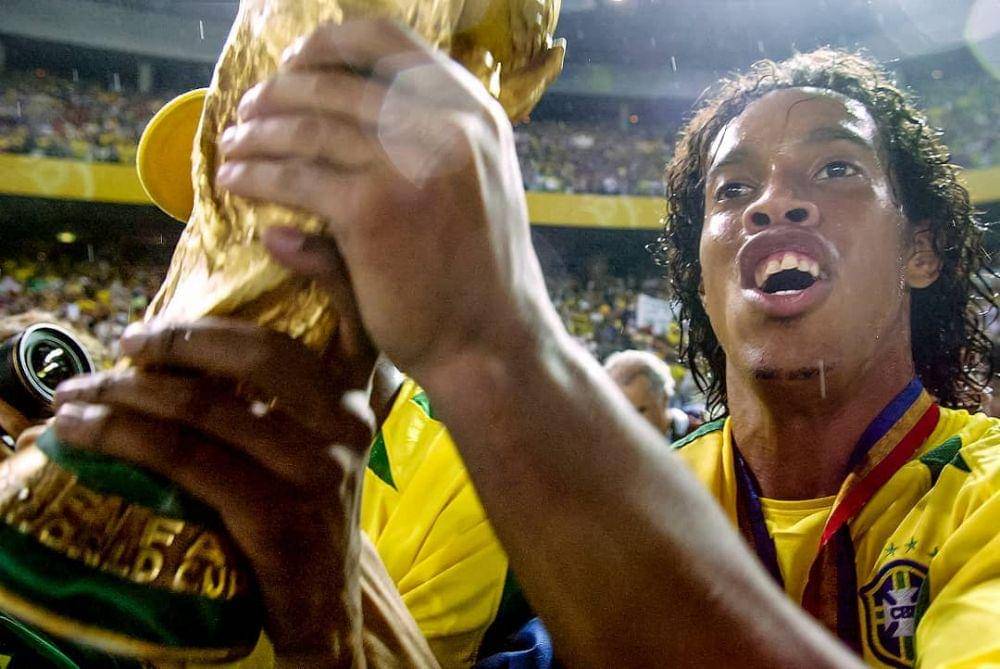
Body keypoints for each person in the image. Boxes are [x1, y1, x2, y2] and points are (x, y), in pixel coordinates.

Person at [53, 21, 998, 669]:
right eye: (732, 189)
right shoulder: (640, 491)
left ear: (922, 250)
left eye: (835, 168)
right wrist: (329, 609)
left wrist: (491, 345)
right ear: (699, 274)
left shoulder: (984, 496)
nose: (773, 203)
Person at [603, 350, 690, 440]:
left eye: (639, 412)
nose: (630, 423)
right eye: (619, 415)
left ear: (664, 398)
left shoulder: (694, 434)